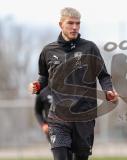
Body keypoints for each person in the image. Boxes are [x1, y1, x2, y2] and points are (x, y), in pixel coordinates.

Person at [28, 7, 118, 160]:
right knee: (60, 156)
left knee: (80, 157)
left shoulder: (90, 48)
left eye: (78, 23)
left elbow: (103, 75)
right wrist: (36, 86)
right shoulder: (48, 51)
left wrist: (109, 90)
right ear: (61, 24)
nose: (75, 27)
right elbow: (43, 77)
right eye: (70, 23)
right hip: (58, 117)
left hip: (84, 115)